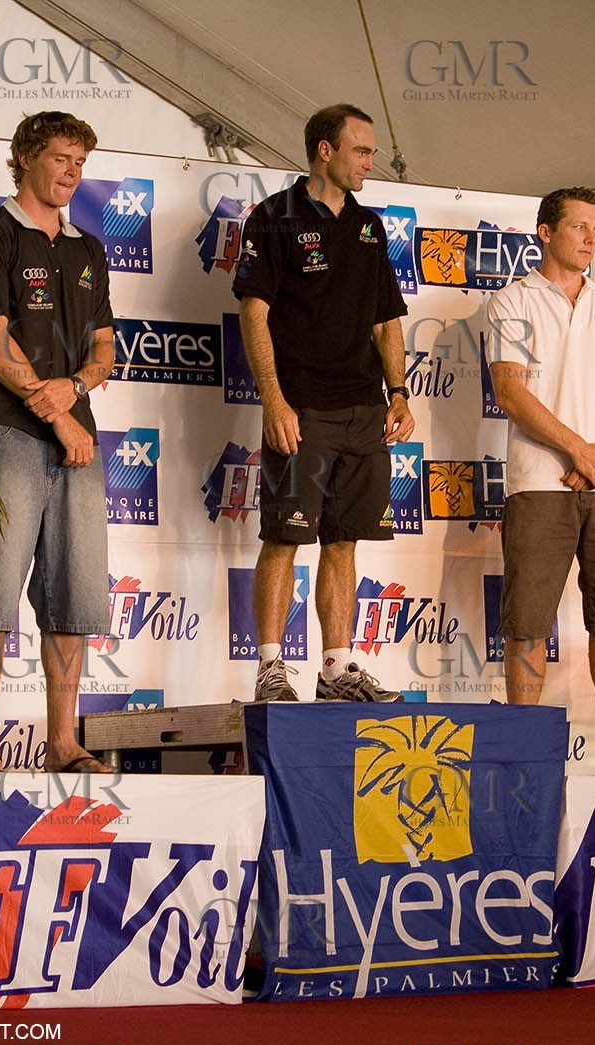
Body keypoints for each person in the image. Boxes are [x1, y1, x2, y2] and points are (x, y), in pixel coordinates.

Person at [233, 103, 415, 703]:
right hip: (303, 408)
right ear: (325, 151)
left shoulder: (369, 226)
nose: (370, 162)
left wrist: (398, 392)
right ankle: (270, 670)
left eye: (372, 152)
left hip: (364, 410)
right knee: (285, 538)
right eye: (361, 151)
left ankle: (336, 671)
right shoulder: (273, 217)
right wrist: (274, 401)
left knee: (343, 541)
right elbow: (254, 314)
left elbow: (387, 320)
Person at [487, 186, 595, 773]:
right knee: (527, 625)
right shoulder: (513, 300)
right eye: (580, 227)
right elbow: (510, 392)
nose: (591, 238)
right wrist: (579, 451)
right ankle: (524, 755)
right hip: (540, 482)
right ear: (545, 232)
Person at [0, 111, 115, 774]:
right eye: (60, 158)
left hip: (77, 437)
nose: (71, 173)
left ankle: (64, 743)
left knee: (74, 596)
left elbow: (106, 348)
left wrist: (74, 389)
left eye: (80, 162)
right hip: (8, 432)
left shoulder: (88, 249)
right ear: (25, 157)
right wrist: (56, 414)